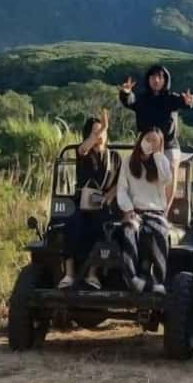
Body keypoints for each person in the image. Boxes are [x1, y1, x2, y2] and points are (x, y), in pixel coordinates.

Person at [59, 109, 123, 289]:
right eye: (95, 132)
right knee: (71, 222)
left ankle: (92, 274)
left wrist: (109, 196)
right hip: (82, 202)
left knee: (104, 226)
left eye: (103, 131)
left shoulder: (114, 157)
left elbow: (120, 182)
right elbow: (83, 149)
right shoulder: (84, 153)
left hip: (103, 204)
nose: (100, 134)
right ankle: (69, 274)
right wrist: (100, 129)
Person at [119, 65, 193, 207]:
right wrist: (126, 93)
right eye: (153, 76)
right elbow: (130, 101)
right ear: (148, 79)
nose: (156, 80)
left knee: (170, 175)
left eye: (160, 77)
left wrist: (187, 102)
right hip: (146, 143)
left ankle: (165, 212)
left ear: (165, 80)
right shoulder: (141, 98)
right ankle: (141, 208)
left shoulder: (170, 98)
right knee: (138, 173)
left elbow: (182, 102)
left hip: (168, 145)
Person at [115, 128, 174, 294]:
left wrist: (158, 155)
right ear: (141, 139)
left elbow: (166, 178)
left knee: (158, 232)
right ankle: (132, 278)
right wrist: (128, 209)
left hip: (156, 212)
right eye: (148, 139)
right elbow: (122, 189)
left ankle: (157, 280)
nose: (150, 143)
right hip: (135, 211)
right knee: (128, 230)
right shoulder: (128, 162)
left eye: (155, 141)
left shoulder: (161, 161)